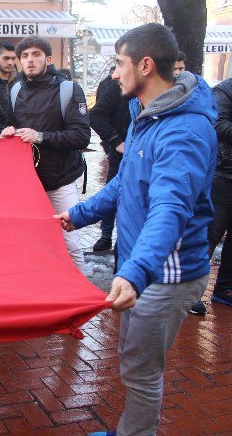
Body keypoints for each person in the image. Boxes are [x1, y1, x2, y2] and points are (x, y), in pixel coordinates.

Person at [55, 23, 216, 436]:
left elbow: (171, 207)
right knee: (134, 363)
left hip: (166, 273)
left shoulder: (182, 129)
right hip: (146, 268)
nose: (114, 74)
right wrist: (80, 214)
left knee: (142, 373)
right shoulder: (149, 115)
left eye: (119, 63)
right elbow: (128, 181)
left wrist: (135, 271)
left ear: (145, 65)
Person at [1, 36, 90, 271]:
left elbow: (81, 136)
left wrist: (41, 136)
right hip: (28, 182)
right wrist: (7, 131)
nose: (30, 60)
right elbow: (8, 125)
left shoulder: (69, 89)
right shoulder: (14, 89)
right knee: (30, 243)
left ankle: (82, 299)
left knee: (70, 243)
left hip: (61, 180)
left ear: (48, 59)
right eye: (25, 56)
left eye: (36, 54)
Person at [190, 78, 232, 315]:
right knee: (209, 235)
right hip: (223, 175)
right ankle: (190, 292)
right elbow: (217, 124)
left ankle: (224, 288)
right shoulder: (224, 91)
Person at [88, 79, 130, 252]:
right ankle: (106, 235)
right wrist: (116, 141)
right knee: (113, 193)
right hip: (121, 156)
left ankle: (123, 241)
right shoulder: (118, 86)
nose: (116, 75)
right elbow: (96, 115)